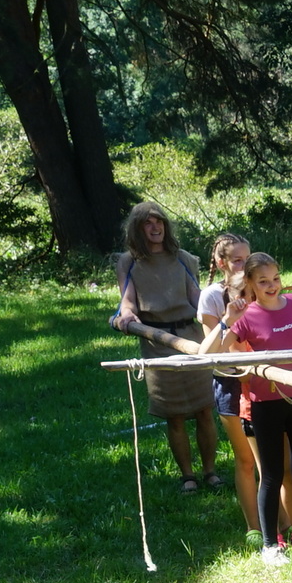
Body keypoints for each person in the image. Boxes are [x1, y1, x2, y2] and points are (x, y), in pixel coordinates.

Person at [225, 252, 292, 565]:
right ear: (250, 283)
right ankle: (270, 546)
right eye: (263, 281)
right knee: (272, 475)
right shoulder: (247, 316)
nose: (272, 285)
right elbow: (214, 351)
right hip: (266, 404)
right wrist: (227, 321)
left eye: (275, 278)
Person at [110, 200, 218, 495]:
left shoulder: (183, 259)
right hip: (156, 342)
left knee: (205, 410)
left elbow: (197, 298)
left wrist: (220, 307)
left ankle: (210, 471)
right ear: (138, 228)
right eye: (148, 222)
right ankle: (188, 476)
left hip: (192, 339)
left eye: (159, 221)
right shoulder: (129, 262)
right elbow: (127, 301)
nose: (155, 227)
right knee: (175, 415)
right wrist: (126, 315)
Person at [198, 231, 292, 540]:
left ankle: (286, 524)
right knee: (246, 460)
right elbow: (211, 350)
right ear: (222, 263)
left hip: (269, 382)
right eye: (237, 260)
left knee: (276, 463)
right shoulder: (213, 296)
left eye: (247, 258)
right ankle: (256, 528)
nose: (244, 265)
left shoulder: (260, 288)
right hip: (232, 383)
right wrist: (229, 322)